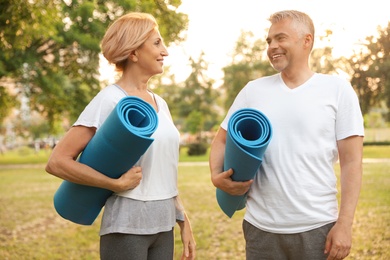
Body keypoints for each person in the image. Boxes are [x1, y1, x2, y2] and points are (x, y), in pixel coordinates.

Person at [209, 10, 364, 260]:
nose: (272, 46)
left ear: (307, 40)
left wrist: (345, 224)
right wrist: (216, 177)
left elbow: (352, 162)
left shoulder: (337, 90)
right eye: (269, 41)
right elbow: (222, 140)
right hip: (261, 229)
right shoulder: (253, 91)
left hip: (318, 228)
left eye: (280, 38)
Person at [46, 12, 196, 260]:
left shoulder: (161, 104)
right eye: (157, 43)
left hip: (164, 224)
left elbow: (164, 170)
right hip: (127, 225)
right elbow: (57, 162)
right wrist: (113, 184)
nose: (166, 51)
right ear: (134, 53)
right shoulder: (110, 99)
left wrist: (183, 219)